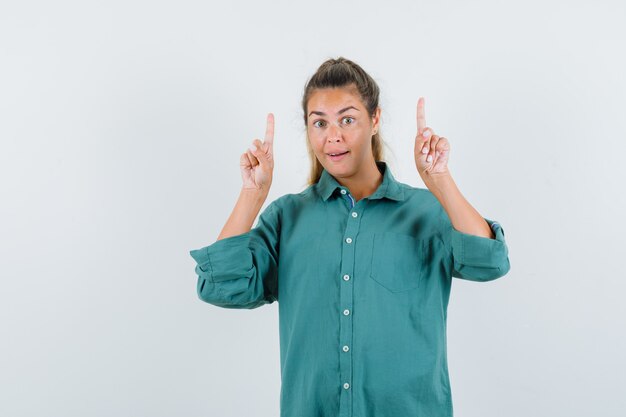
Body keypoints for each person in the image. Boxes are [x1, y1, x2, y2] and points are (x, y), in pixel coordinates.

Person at [189, 57, 511, 417]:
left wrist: (439, 180)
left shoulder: (427, 212)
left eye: (347, 119)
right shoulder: (287, 218)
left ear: (375, 120)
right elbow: (219, 287)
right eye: (319, 123)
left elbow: (491, 262)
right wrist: (252, 195)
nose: (333, 136)